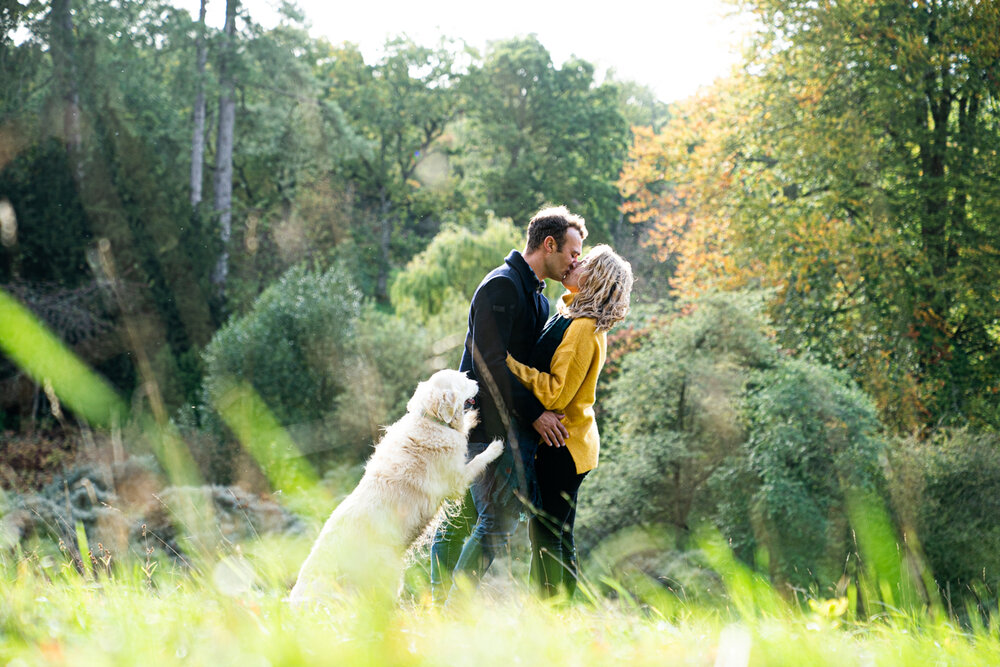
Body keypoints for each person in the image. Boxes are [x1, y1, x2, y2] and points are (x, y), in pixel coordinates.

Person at [430, 206, 586, 602]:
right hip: (482, 425)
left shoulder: (540, 299)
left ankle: (435, 603)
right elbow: (489, 365)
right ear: (549, 245)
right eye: (572, 252)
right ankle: (448, 605)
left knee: (467, 516)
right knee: (490, 520)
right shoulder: (500, 286)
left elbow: (527, 368)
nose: (575, 261)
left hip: (508, 428)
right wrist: (535, 415)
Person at [505, 244, 633, 598]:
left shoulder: (583, 328)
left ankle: (552, 613)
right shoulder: (571, 313)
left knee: (548, 536)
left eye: (585, 261)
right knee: (554, 533)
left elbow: (555, 396)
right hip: (568, 442)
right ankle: (555, 612)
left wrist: (510, 366)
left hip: (564, 446)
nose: (576, 261)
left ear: (596, 278)